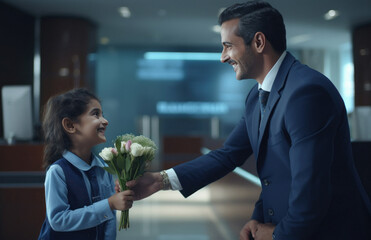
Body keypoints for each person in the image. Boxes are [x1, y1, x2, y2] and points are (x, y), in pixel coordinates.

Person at [123, 1, 371, 240]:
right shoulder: (257, 96)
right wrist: (159, 180)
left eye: (228, 46)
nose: (223, 57)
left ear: (259, 42)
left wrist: (277, 235)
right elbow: (231, 155)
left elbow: (311, 188)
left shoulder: (306, 92)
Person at [38, 88, 134, 240]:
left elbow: (109, 219)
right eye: (96, 114)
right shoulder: (58, 171)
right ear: (70, 125)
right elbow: (58, 220)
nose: (105, 121)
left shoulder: (104, 168)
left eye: (103, 114)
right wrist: (109, 204)